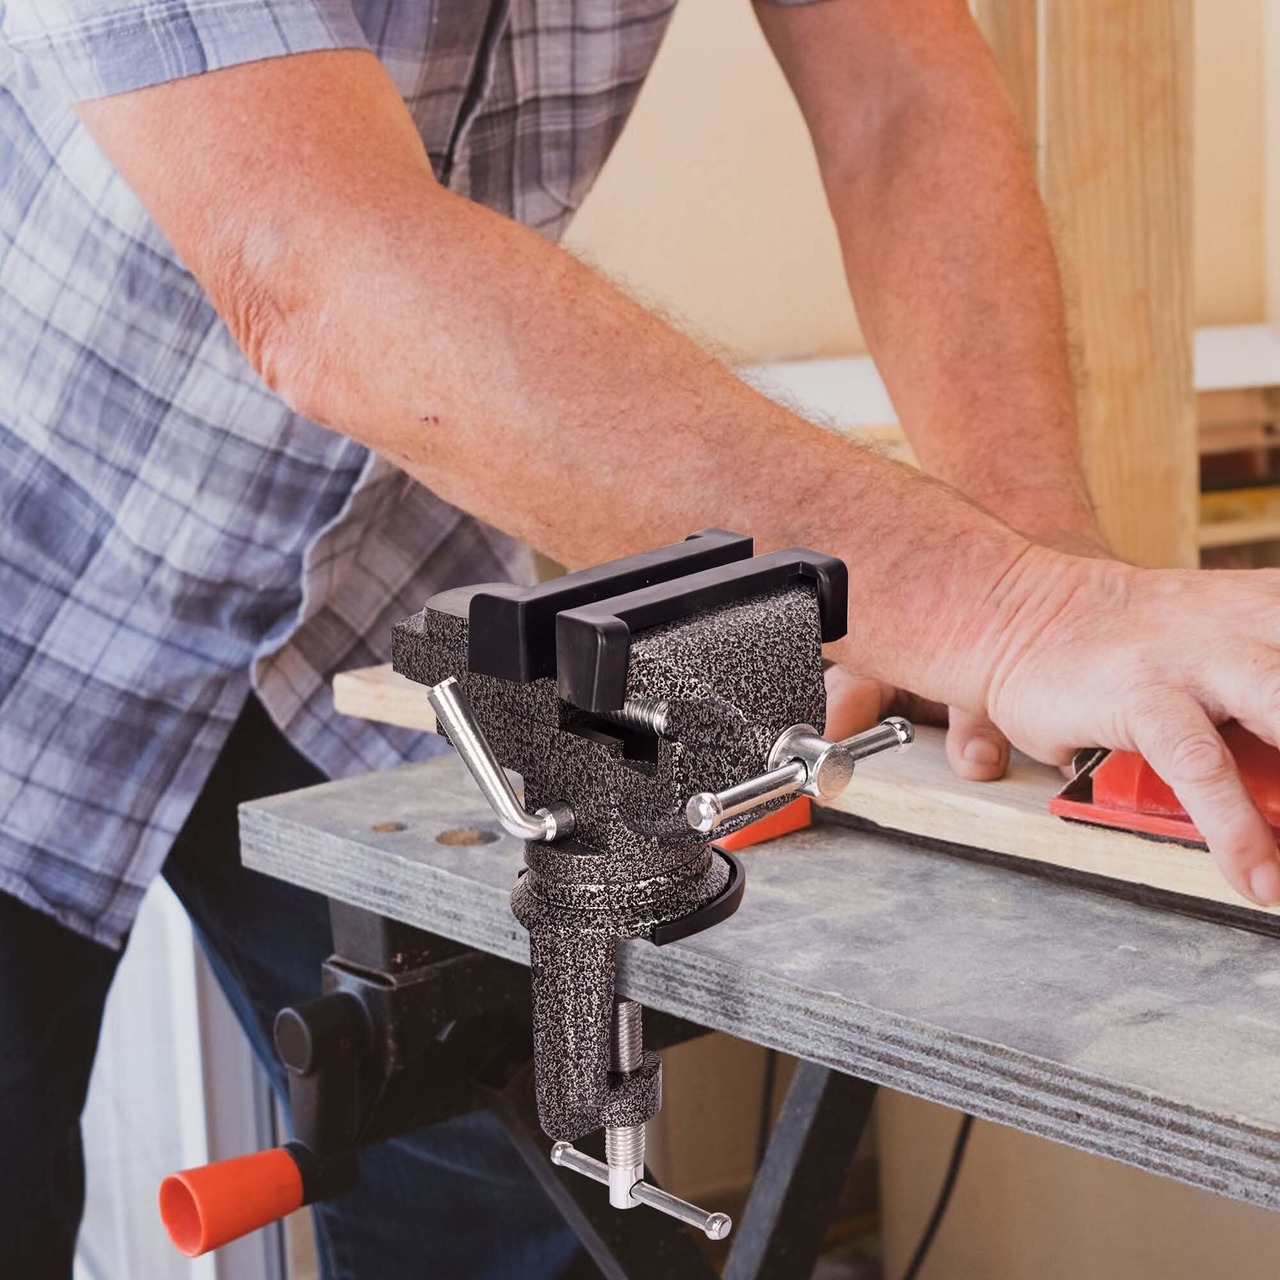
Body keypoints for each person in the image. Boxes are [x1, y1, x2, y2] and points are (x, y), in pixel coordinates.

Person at [1, 0, 1276, 1275]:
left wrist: (1032, 552)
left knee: (505, 1182)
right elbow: (308, 266)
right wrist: (1004, 606)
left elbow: (900, 101)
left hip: (372, 575)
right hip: (33, 553)